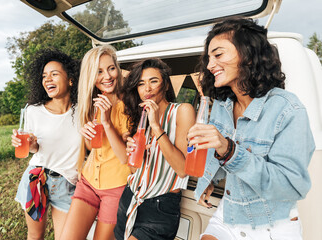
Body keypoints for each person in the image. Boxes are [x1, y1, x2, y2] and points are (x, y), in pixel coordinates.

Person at [187, 17, 315, 240]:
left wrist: (230, 151)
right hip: (229, 212)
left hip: (271, 225)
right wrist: (211, 179)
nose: (209, 65)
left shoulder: (287, 109)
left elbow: (291, 187)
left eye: (218, 55)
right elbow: (217, 156)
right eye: (208, 58)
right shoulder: (222, 106)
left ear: (248, 54)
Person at [114, 58, 196, 240]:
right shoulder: (139, 117)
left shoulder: (182, 111)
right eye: (141, 84)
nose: (147, 89)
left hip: (160, 206)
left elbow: (182, 170)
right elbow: (135, 169)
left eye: (154, 81)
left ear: (166, 85)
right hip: (130, 197)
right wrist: (133, 153)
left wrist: (157, 127)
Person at [59, 45, 130, 240]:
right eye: (99, 71)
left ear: (117, 69)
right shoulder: (92, 103)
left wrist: (106, 123)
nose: (107, 76)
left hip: (115, 188)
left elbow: (125, 157)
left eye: (111, 68)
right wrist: (86, 134)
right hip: (88, 182)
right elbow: (93, 148)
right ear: (90, 75)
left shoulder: (129, 105)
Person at [12, 48, 81, 240]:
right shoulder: (33, 111)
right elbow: (34, 149)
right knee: (35, 237)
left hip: (67, 183)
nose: (47, 79)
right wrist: (30, 144)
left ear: (70, 79)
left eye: (54, 74)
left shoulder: (83, 111)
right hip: (36, 179)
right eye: (44, 76)